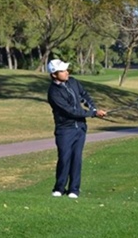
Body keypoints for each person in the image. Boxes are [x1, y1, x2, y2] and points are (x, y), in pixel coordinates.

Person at [47, 59, 106, 199]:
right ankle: (59, 188)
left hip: (80, 128)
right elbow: (71, 111)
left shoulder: (73, 82)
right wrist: (93, 114)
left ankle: (74, 189)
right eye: (62, 71)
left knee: (76, 159)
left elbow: (84, 95)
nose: (67, 72)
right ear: (54, 74)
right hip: (65, 129)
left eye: (66, 69)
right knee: (64, 158)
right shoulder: (53, 92)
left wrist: (93, 108)